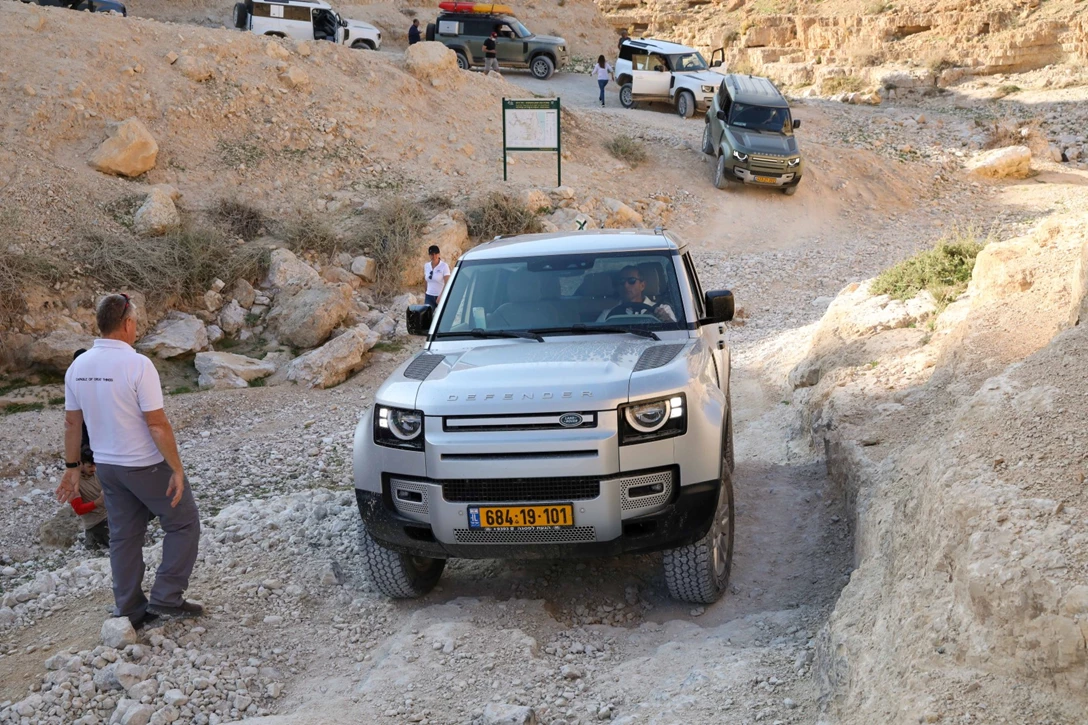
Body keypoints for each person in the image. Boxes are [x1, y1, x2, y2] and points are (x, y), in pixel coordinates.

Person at [56, 293, 202, 628]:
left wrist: (71, 468)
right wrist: (177, 469)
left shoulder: (78, 366)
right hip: (146, 464)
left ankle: (129, 608)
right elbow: (156, 423)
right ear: (128, 323)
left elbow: (71, 423)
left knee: (124, 535)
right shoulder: (138, 364)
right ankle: (167, 596)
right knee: (183, 522)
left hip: (108, 467)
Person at [600, 266, 676, 322]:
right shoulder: (609, 314)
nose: (626, 285)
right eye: (622, 281)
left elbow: (676, 335)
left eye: (631, 281)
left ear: (642, 285)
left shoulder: (663, 309)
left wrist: (667, 319)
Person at [70, 446, 110, 551]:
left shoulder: (97, 473)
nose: (93, 469)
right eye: (89, 466)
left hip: (111, 515)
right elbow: (79, 509)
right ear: (81, 464)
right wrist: (98, 502)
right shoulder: (73, 482)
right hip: (97, 523)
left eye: (95, 465)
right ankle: (92, 539)